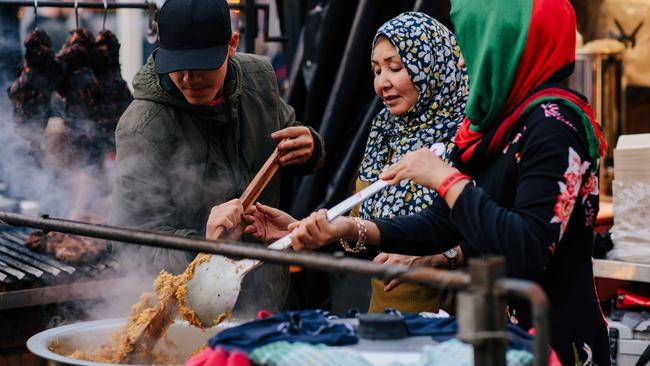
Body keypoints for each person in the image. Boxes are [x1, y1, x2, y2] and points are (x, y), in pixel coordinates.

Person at [283, 0, 611, 364]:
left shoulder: (552, 125)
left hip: (551, 342)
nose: (463, 60)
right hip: (498, 337)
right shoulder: (493, 123)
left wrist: (443, 178)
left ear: (504, 42)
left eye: (471, 42)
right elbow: (441, 223)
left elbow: (526, 248)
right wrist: (350, 226)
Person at [226, 12, 469, 314]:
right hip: (387, 316)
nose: (383, 83)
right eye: (376, 71)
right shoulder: (385, 131)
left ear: (433, 64)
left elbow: (503, 232)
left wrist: (441, 257)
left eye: (396, 67)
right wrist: (300, 229)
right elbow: (363, 223)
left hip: (455, 316)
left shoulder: (468, 135)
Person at [109, 0, 325, 314]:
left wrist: (310, 146)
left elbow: (288, 134)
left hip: (269, 292)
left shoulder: (259, 79)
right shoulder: (142, 127)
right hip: (192, 308)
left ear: (232, 45)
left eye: (201, 65)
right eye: (177, 66)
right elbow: (132, 240)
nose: (188, 79)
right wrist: (204, 242)